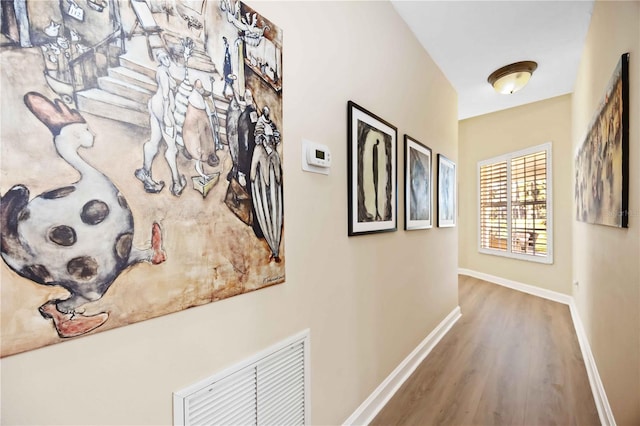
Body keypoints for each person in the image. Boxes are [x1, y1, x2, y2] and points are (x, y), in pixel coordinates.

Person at [135, 50, 186, 196]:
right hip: (163, 108)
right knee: (172, 148)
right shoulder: (163, 73)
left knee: (154, 141)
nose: (165, 59)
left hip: (155, 105)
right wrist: (167, 116)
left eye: (166, 56)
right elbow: (165, 95)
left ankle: (145, 172)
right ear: (159, 59)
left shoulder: (163, 71)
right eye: (162, 57)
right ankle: (176, 183)